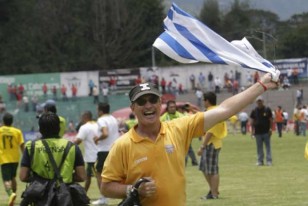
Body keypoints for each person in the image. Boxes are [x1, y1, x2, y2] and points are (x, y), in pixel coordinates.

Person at [100, 73, 278, 206]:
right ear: (133, 108)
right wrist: (133, 189)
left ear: (160, 102)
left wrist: (261, 85)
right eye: (142, 102)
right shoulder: (122, 145)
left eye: (153, 100)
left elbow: (224, 110)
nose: (148, 106)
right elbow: (106, 186)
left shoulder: (178, 128)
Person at [19, 112, 86, 204]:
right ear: (58, 128)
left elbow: (23, 176)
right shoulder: (72, 147)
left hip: (41, 198)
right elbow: (81, 176)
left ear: (40, 129)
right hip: (65, 198)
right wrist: (65, 178)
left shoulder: (31, 146)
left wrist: (39, 180)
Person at [197, 92, 227, 200]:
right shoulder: (215, 110)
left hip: (212, 144)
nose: (203, 102)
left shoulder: (213, 112)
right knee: (204, 168)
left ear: (207, 101)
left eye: (204, 100)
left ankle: (214, 194)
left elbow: (210, 131)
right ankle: (213, 189)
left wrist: (202, 146)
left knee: (212, 169)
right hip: (212, 143)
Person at [92, 102, 120, 205]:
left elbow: (105, 133)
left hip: (104, 150)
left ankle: (103, 198)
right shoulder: (113, 119)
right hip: (115, 149)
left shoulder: (101, 120)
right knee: (117, 174)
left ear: (100, 110)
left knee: (99, 173)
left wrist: (97, 139)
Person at [0, 112, 24, 206]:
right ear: (12, 121)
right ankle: (13, 196)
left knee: (6, 180)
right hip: (15, 158)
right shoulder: (17, 131)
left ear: (3, 121)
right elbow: (22, 145)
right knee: (13, 177)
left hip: (4, 158)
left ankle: (11, 194)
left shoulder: (0, 130)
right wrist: (26, 157)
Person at [73, 111, 99, 192]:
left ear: (85, 117)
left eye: (82, 117)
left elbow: (78, 141)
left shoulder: (84, 127)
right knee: (88, 176)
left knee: (98, 176)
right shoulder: (98, 125)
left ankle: (104, 197)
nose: (81, 119)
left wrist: (68, 146)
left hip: (92, 156)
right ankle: (84, 193)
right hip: (99, 154)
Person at [250, 96, 273, 166]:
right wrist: (252, 131)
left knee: (268, 147)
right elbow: (252, 121)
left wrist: (270, 128)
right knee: (259, 147)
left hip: (266, 131)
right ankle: (260, 161)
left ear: (263, 101)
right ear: (256, 102)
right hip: (257, 132)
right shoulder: (254, 110)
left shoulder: (267, 109)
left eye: (260, 101)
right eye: (258, 101)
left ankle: (269, 161)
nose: (259, 103)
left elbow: (270, 120)